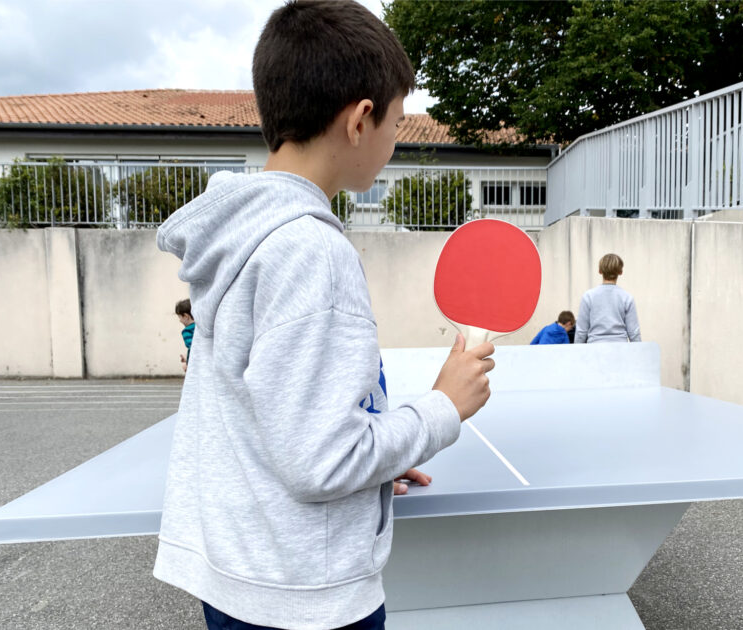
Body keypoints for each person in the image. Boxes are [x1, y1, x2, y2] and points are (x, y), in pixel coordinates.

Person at [152, 3, 494, 629]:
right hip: (304, 598)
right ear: (361, 120)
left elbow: (282, 421)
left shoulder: (241, 235)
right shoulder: (312, 251)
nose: (395, 141)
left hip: (240, 574)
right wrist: (443, 407)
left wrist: (377, 456)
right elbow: (324, 461)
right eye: (396, 124)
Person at [575, 253, 641, 343]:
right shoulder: (627, 297)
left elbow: (581, 331)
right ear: (620, 272)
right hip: (620, 348)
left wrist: (578, 352)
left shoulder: (588, 296)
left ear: (600, 271)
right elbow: (634, 332)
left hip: (594, 348)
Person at [175, 298, 195, 372]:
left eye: (179, 317)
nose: (180, 320)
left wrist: (188, 364)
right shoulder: (201, 328)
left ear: (186, 316)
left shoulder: (187, 331)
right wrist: (187, 357)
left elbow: (194, 348)